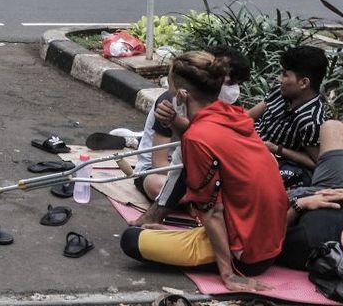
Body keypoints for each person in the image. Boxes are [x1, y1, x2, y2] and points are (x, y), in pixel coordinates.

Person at [121, 51, 288, 292]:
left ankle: (218, 259)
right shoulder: (233, 113)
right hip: (268, 241)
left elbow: (213, 212)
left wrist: (228, 274)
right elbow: (204, 133)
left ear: (182, 94)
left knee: (131, 240)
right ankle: (162, 224)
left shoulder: (197, 139)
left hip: (246, 256)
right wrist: (176, 123)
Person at [131, 45, 251, 226]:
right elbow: (161, 164)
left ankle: (192, 200)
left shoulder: (226, 112)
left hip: (199, 177)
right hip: (171, 173)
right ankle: (193, 200)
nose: (229, 86)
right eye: (226, 79)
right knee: (162, 183)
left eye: (232, 82)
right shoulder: (170, 106)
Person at [279, 119, 343, 270]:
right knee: (334, 127)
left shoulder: (309, 243)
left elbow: (270, 239)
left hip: (297, 203)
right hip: (342, 189)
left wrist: (299, 205)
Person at [247, 46, 330, 187]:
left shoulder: (311, 121)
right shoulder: (281, 92)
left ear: (304, 83)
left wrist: (277, 149)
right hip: (251, 145)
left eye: (285, 75)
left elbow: (316, 163)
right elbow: (250, 116)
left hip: (271, 163)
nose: (279, 79)